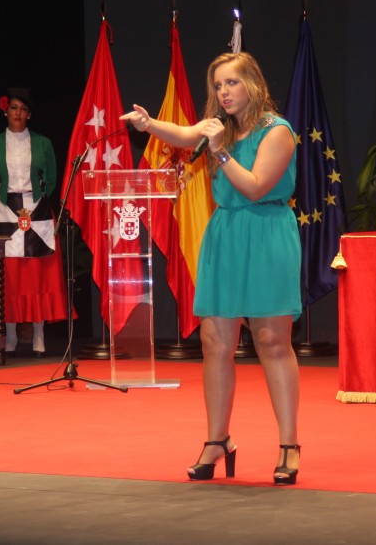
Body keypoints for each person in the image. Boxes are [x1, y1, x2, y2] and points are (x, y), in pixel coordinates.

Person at [122, 51, 303, 485]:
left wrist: (220, 153)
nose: (223, 92)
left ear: (253, 85)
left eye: (231, 83)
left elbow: (257, 187)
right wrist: (148, 126)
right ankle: (217, 440)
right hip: (224, 235)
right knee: (214, 342)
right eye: (218, 85)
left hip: (266, 234)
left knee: (271, 341)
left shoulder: (278, 132)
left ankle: (289, 445)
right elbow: (186, 135)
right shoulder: (218, 130)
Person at [0, 88, 68, 357]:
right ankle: (11, 333)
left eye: (23, 109)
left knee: (38, 274)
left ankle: (39, 333)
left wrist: (36, 201)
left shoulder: (43, 143)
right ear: (5, 110)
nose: (18, 113)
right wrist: (2, 203)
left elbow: (51, 178)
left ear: (29, 115)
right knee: (9, 276)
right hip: (4, 211)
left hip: (36, 210)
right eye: (14, 107)